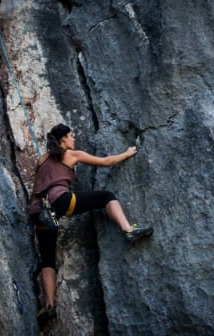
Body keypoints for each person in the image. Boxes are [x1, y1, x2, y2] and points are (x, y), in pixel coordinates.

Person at [29, 124, 153, 325]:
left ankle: (49, 306)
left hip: (40, 214)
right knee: (106, 196)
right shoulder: (71, 155)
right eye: (71, 136)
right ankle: (128, 229)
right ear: (63, 140)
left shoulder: (41, 160)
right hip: (61, 201)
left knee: (48, 260)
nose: (74, 139)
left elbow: (38, 187)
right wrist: (128, 152)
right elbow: (105, 162)